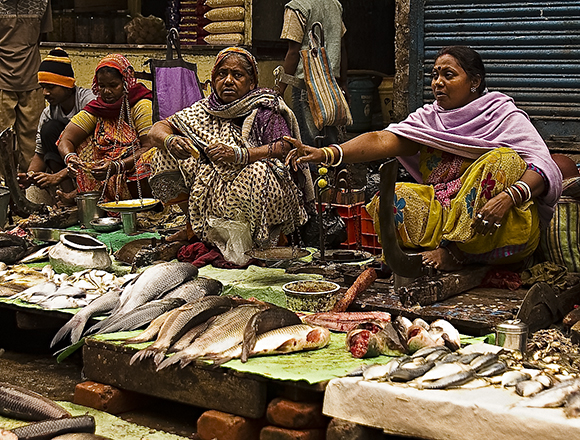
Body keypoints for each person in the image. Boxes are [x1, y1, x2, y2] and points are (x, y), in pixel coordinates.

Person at [286, 46, 563, 271]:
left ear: (475, 82)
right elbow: (383, 139)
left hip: (499, 224)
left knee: (502, 160)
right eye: (435, 75)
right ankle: (434, 251)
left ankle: (457, 254)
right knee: (392, 196)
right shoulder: (428, 119)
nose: (438, 83)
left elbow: (543, 166)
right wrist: (326, 153)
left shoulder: (502, 115)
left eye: (449, 75)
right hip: (443, 220)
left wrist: (508, 197)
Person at [147, 47, 314, 259]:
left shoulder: (264, 108)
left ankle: (265, 242)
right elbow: (156, 131)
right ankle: (194, 226)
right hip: (210, 188)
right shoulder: (203, 110)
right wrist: (171, 140)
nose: (228, 81)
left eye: (237, 75)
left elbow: (285, 146)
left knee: (258, 171)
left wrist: (239, 155)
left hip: (253, 187)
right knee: (163, 152)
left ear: (251, 82)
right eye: (221, 74)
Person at [57, 54, 153, 205]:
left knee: (149, 159)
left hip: (133, 170)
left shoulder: (141, 105)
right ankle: (89, 200)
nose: (107, 91)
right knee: (84, 145)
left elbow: (149, 147)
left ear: (126, 83)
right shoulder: (99, 108)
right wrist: (70, 158)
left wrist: (118, 166)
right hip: (106, 170)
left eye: (113, 85)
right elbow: (66, 139)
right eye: (102, 86)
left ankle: (144, 206)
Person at [17, 48, 96, 205]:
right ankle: (67, 194)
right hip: (66, 165)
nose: (45, 93)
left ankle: (76, 194)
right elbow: (40, 154)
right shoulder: (48, 113)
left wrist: (58, 175)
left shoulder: (89, 101)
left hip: (91, 160)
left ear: (67, 86)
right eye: (43, 87)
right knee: (49, 129)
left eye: (51, 87)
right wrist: (30, 176)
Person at [278, 0, 348, 147]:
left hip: (307, 84)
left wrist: (280, 89)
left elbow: (293, 53)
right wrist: (343, 83)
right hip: (331, 84)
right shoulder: (335, 5)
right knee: (330, 139)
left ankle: (314, 170)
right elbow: (341, 47)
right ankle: (337, 168)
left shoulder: (297, 7)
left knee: (308, 141)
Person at [0, 0, 52, 174]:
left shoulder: (42, 1)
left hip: (32, 79)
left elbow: (41, 38)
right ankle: (4, 195)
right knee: (1, 144)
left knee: (34, 145)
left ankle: (32, 192)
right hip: (1, 82)